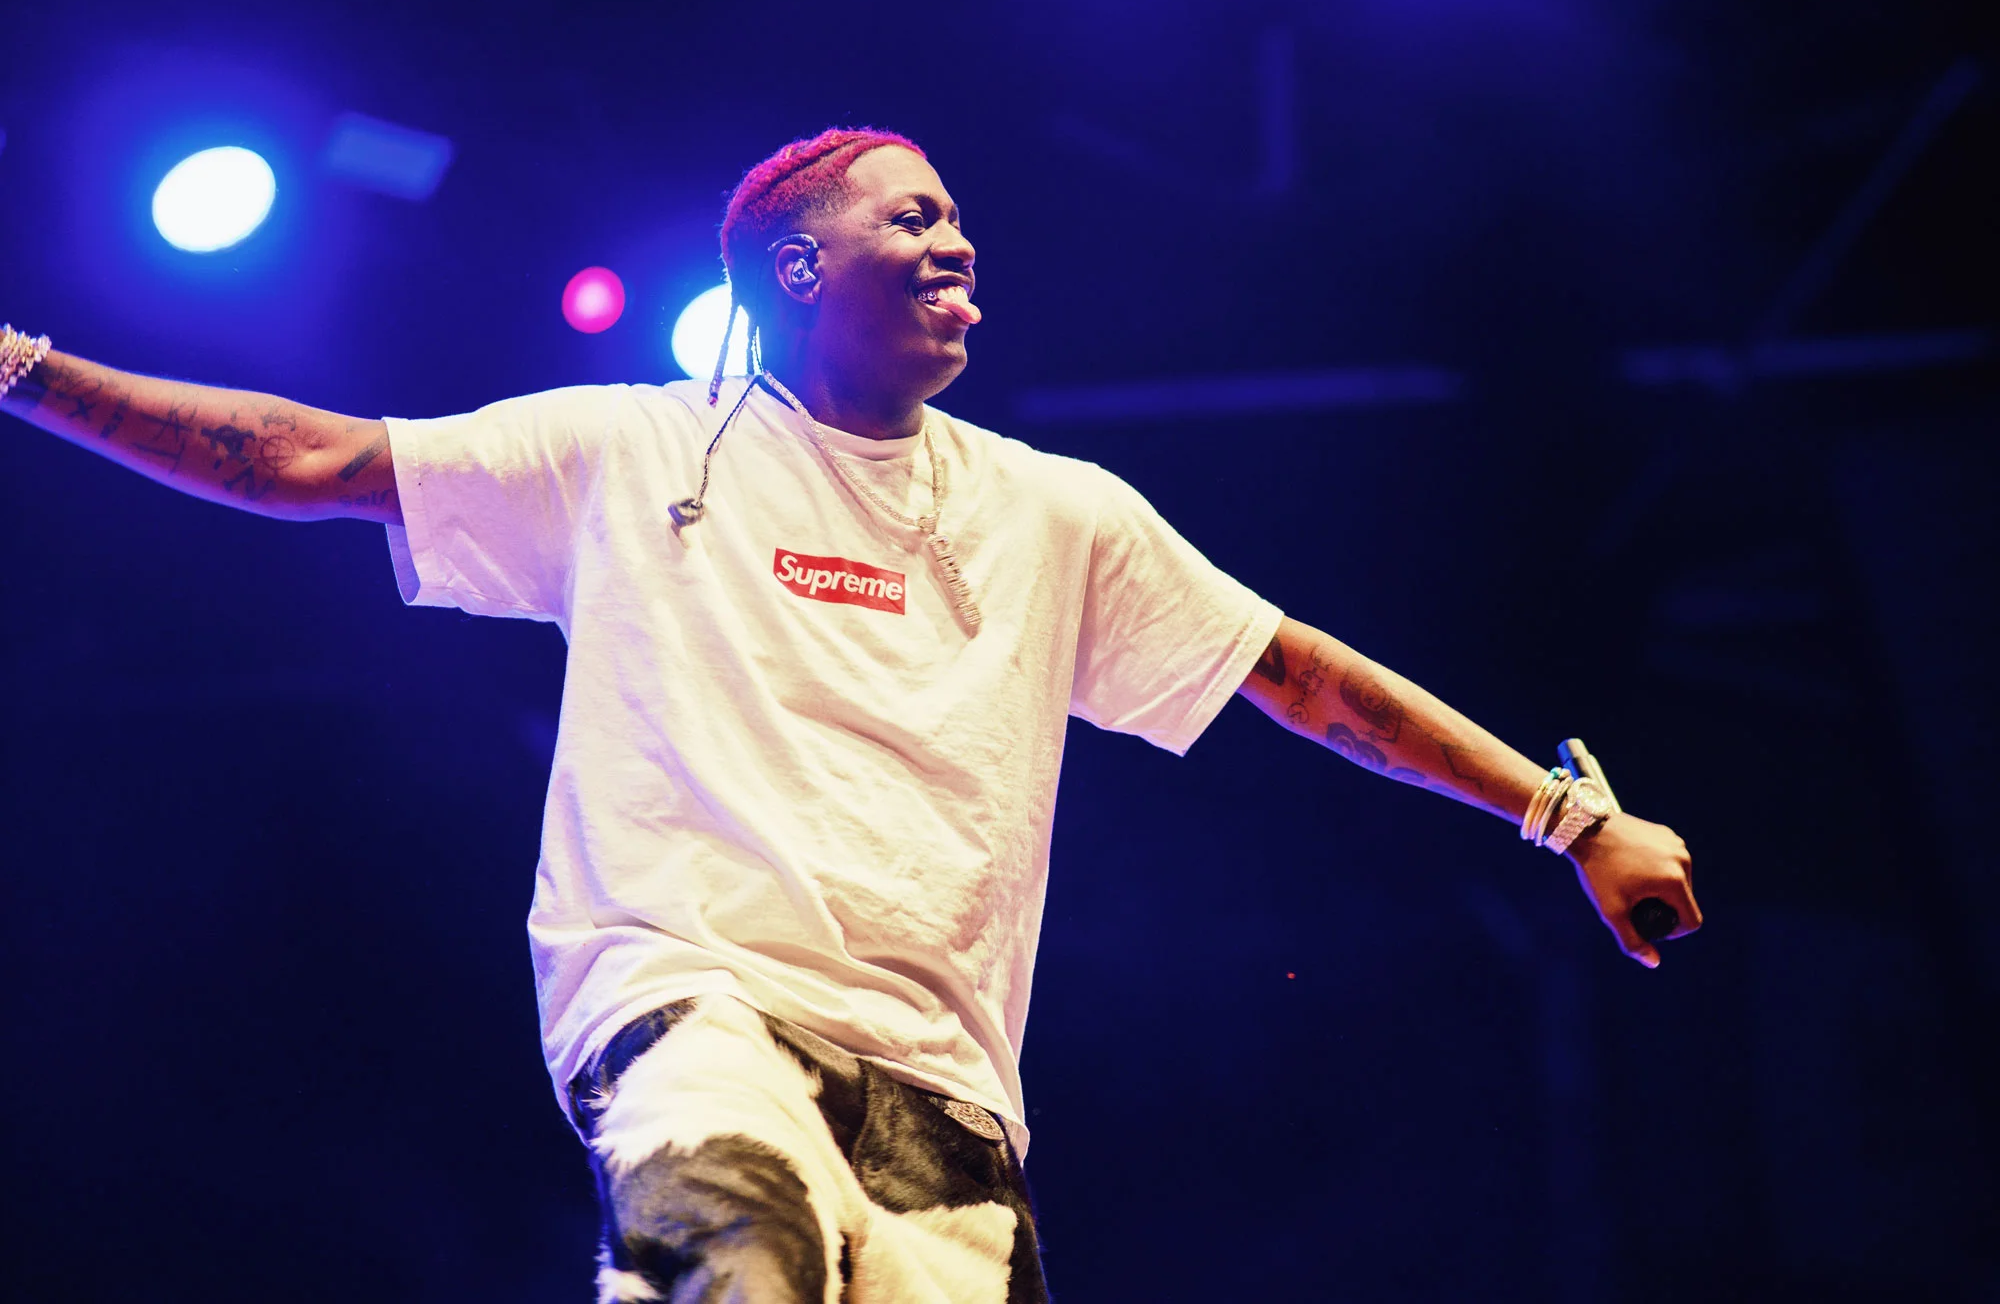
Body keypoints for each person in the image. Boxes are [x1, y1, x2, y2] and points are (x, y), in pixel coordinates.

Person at [0, 126, 1701, 1303]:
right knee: (730, 1248)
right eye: (912, 217)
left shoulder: (1058, 511)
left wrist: (1567, 816)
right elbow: (305, 457)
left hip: (952, 1075)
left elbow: (1299, 677)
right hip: (694, 998)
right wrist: (21, 369)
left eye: (960, 219)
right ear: (796, 263)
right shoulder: (634, 452)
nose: (958, 241)